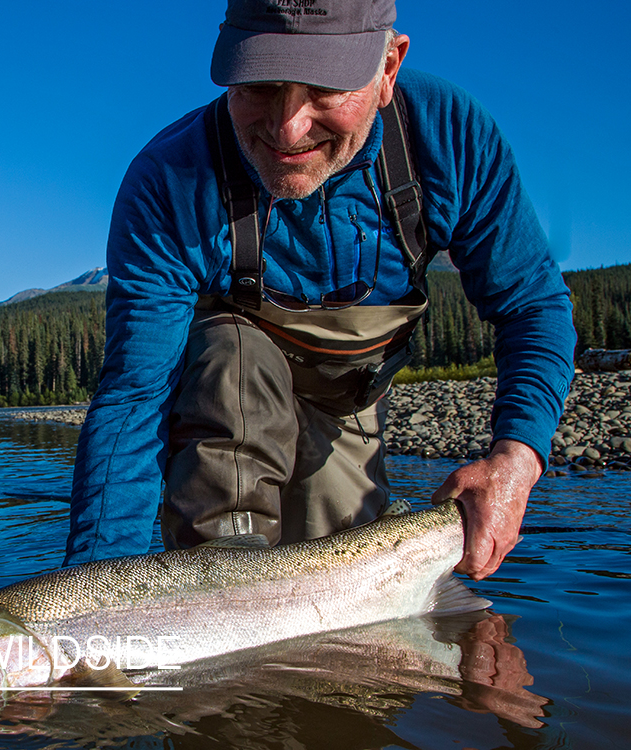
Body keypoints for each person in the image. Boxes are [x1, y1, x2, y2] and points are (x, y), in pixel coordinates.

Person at [64, 0, 576, 581]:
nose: (287, 129)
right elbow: (135, 400)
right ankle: (220, 586)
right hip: (225, 392)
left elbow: (532, 307)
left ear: (388, 69)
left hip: (350, 400)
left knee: (344, 595)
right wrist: (93, 602)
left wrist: (516, 459)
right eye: (260, 85)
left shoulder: (446, 136)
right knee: (232, 358)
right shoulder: (169, 180)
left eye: (325, 89)